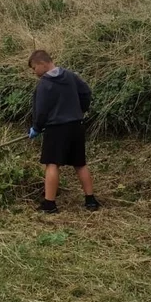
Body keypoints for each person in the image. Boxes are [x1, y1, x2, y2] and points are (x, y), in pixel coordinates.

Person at [28, 50, 99, 213]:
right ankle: (91, 201)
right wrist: (80, 110)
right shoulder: (71, 76)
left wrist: (37, 128)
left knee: (52, 164)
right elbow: (86, 93)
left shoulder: (44, 84)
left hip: (56, 129)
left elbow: (42, 111)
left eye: (33, 68)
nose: (34, 72)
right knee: (80, 163)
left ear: (42, 63)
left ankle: (50, 204)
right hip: (76, 126)